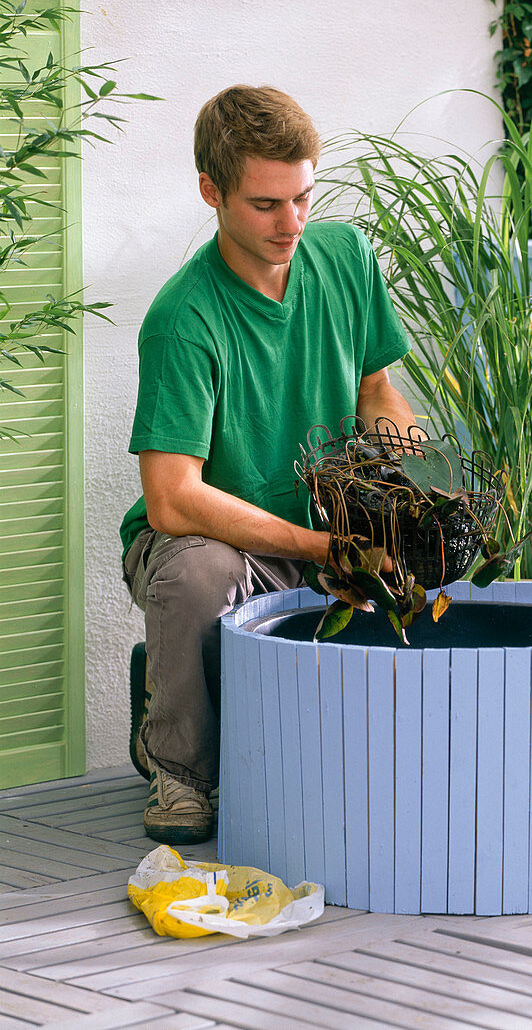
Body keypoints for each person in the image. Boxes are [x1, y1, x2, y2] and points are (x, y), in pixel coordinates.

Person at [120, 85, 415, 844]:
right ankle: (179, 769)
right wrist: (321, 548)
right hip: (213, 541)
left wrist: (401, 488)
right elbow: (172, 501)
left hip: (323, 526)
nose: (292, 225)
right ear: (211, 193)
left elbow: (376, 389)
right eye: (266, 206)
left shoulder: (344, 257)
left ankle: (165, 683)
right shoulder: (185, 320)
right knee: (196, 576)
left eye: (303, 198)